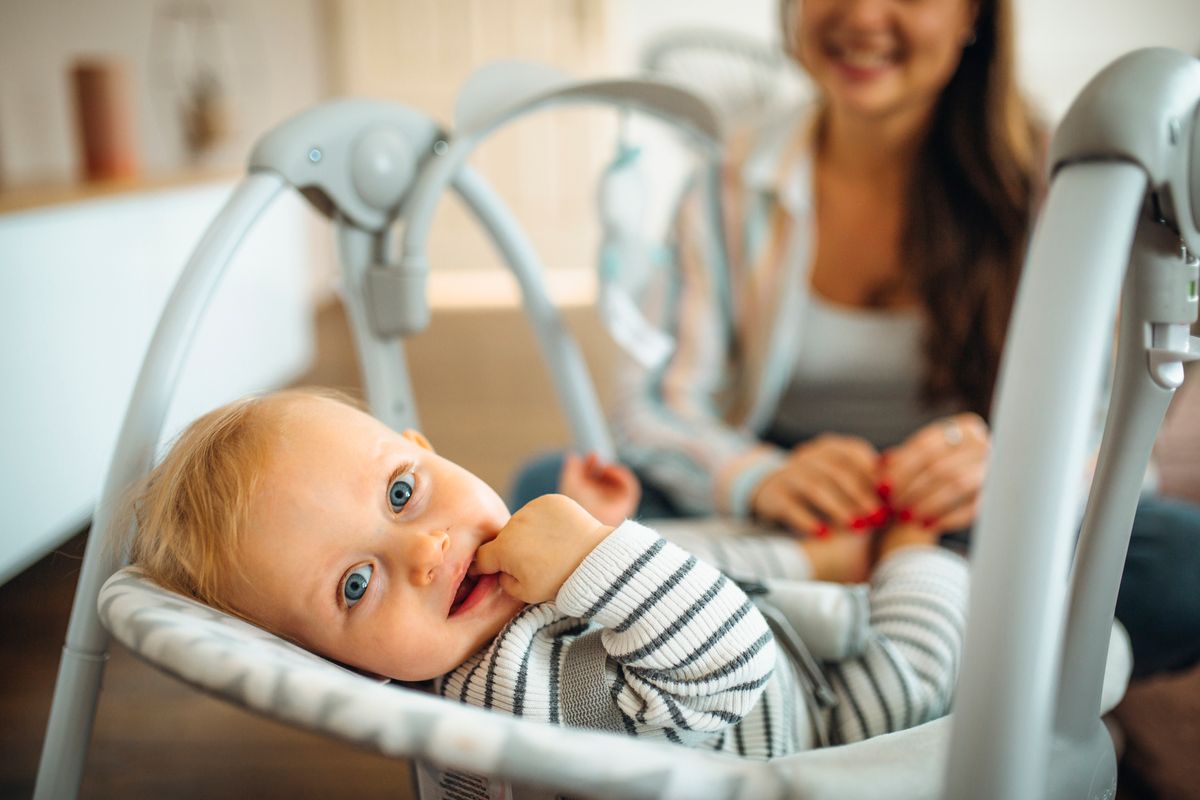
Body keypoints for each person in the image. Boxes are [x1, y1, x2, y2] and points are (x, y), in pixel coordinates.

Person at [513, 0, 1200, 677]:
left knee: (1181, 566)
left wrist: (1010, 470)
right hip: (791, 506)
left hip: (974, 514)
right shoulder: (728, 177)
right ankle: (913, 618)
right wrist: (755, 477)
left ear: (975, 16)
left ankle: (803, 607)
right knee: (548, 490)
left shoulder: (1063, 188)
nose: (865, 15)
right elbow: (656, 404)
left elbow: (1112, 432)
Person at [129, 388, 969, 757]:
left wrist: (587, 533)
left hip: (746, 625)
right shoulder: (509, 697)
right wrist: (599, 553)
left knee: (681, 554)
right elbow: (728, 669)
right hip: (812, 718)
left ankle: (824, 559)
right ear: (326, 661)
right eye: (356, 584)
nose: (426, 550)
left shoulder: (471, 613)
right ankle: (913, 549)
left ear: (425, 451)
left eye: (400, 491)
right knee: (920, 661)